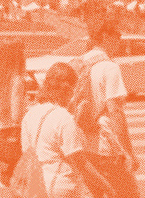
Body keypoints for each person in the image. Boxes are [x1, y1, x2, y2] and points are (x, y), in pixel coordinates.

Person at [20, 62, 114, 198]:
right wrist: (106, 186)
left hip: (35, 186)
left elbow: (27, 154)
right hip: (60, 186)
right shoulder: (63, 117)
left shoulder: (30, 115)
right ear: (68, 89)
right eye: (74, 90)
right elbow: (80, 162)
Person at [75, 20, 139, 198]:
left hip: (83, 145)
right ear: (105, 37)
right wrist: (128, 152)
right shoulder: (109, 67)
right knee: (128, 194)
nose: (120, 41)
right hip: (106, 146)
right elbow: (115, 112)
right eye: (117, 36)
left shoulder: (79, 63)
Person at [0, 41, 30, 185]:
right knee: (23, 182)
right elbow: (16, 115)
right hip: (16, 135)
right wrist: (30, 108)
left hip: (1, 135)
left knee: (9, 180)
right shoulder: (17, 80)